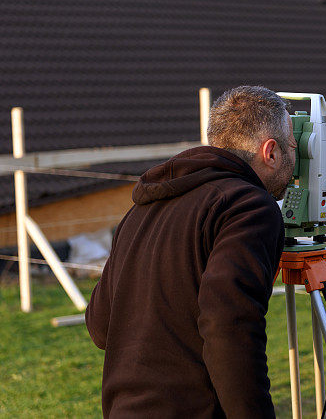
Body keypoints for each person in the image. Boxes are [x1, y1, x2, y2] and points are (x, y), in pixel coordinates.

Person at [86, 85, 296, 418]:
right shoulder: (249, 208)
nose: (294, 161)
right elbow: (230, 325)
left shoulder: (142, 209)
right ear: (270, 152)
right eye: (292, 148)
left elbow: (99, 326)